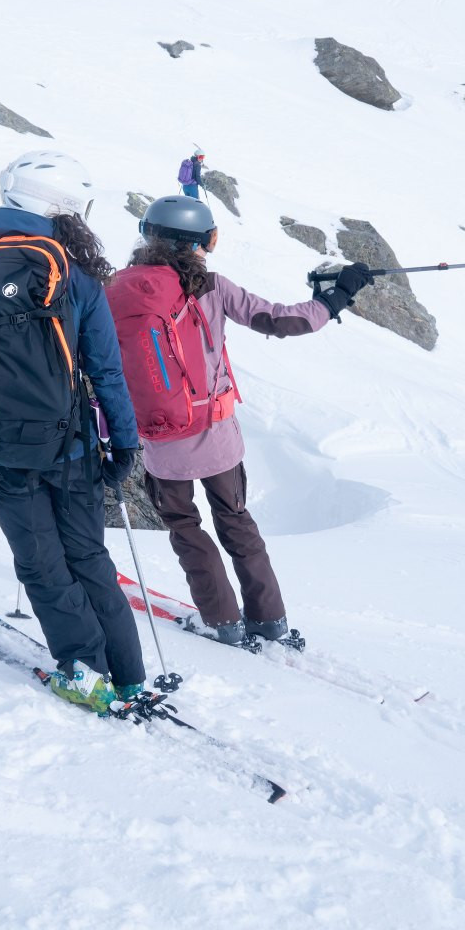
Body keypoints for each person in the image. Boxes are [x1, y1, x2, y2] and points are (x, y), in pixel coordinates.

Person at [0, 150, 147, 713]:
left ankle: (84, 671)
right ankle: (129, 674)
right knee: (88, 558)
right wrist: (125, 443)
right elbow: (107, 371)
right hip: (76, 449)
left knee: (41, 564)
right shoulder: (77, 277)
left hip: (6, 449)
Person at [112, 195, 373, 645]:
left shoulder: (115, 289)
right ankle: (268, 619)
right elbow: (282, 320)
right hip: (216, 434)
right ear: (202, 242)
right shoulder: (211, 286)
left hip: (159, 437)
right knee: (236, 520)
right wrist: (336, 297)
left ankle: (222, 622)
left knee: (185, 528)